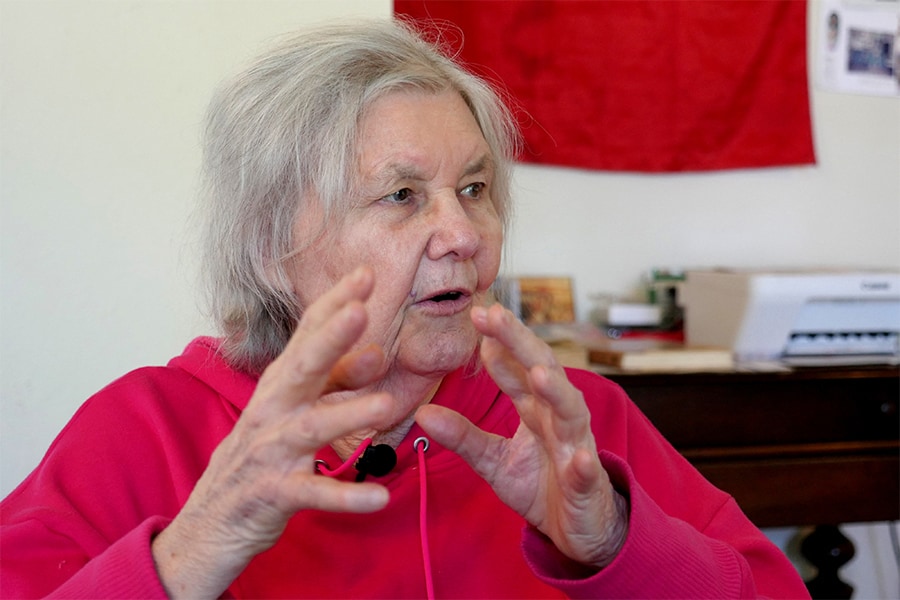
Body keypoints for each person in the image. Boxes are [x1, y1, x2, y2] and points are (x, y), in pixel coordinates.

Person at [0, 18, 809, 599]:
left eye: (475, 189)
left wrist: (615, 545)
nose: (460, 234)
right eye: (400, 195)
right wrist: (191, 552)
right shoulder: (144, 430)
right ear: (270, 246)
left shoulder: (568, 421)